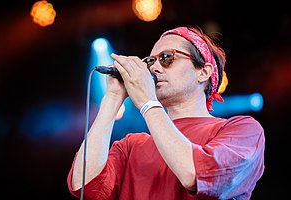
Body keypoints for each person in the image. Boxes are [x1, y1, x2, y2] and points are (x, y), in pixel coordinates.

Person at [67, 25, 265, 200]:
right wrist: (113, 97)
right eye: (151, 61)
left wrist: (147, 101)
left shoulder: (243, 130)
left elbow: (195, 174)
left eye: (166, 58)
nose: (154, 68)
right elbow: (84, 185)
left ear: (203, 72)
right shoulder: (130, 145)